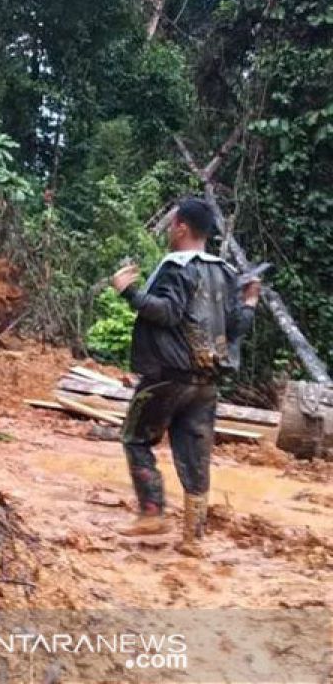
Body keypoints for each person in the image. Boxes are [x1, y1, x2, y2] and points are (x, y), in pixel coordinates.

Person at [110, 197, 259, 556]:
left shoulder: (177, 268)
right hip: (207, 382)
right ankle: (194, 539)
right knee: (196, 456)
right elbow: (237, 326)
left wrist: (129, 292)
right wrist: (251, 301)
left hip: (168, 375)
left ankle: (152, 512)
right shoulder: (225, 272)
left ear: (181, 227)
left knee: (136, 438)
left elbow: (167, 312)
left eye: (172, 223)